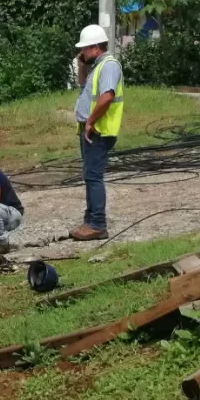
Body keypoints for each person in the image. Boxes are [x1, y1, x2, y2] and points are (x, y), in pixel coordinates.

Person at [70, 24, 124, 241]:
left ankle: (97, 224)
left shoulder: (109, 66)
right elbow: (84, 85)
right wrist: (82, 65)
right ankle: (90, 220)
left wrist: (91, 121)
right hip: (91, 129)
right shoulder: (97, 66)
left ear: (95, 48)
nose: (82, 52)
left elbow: (107, 96)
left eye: (84, 49)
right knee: (89, 175)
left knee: (93, 177)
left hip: (99, 130)